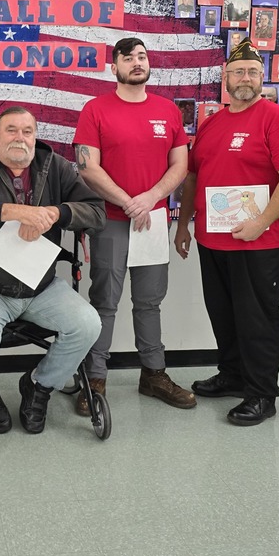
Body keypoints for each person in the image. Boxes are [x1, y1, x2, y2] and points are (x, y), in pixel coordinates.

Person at [0, 107, 106, 434]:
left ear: (35, 136)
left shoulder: (55, 166)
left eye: (27, 131)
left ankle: (38, 386)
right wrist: (13, 212)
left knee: (88, 325)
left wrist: (53, 214)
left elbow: (96, 213)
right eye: (12, 130)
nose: (20, 137)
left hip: (42, 286)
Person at [174, 38, 279, 426]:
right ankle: (232, 375)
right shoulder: (212, 123)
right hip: (211, 240)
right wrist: (184, 225)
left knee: (258, 319)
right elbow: (194, 177)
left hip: (257, 242)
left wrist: (261, 222)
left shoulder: (276, 118)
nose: (245, 78)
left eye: (252, 72)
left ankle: (261, 393)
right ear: (225, 79)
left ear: (262, 78)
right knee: (224, 314)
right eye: (238, 72)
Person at [72, 37, 192, 415]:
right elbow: (87, 166)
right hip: (111, 219)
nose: (137, 63)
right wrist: (127, 200)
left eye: (142, 56)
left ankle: (154, 374)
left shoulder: (168, 110)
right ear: (115, 68)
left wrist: (150, 196)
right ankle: (94, 379)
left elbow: (181, 165)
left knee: (150, 301)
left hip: (153, 220)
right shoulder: (95, 109)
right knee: (104, 301)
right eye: (128, 58)